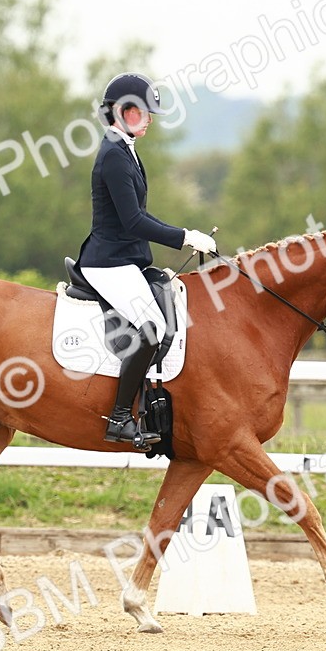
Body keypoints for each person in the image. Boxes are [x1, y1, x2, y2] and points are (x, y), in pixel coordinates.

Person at [76, 72, 217, 446]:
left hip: (126, 259)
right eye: (144, 112)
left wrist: (185, 235)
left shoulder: (126, 149)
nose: (151, 119)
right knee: (152, 326)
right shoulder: (114, 156)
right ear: (123, 112)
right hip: (108, 262)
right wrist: (184, 237)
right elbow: (133, 221)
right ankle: (120, 417)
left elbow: (140, 214)